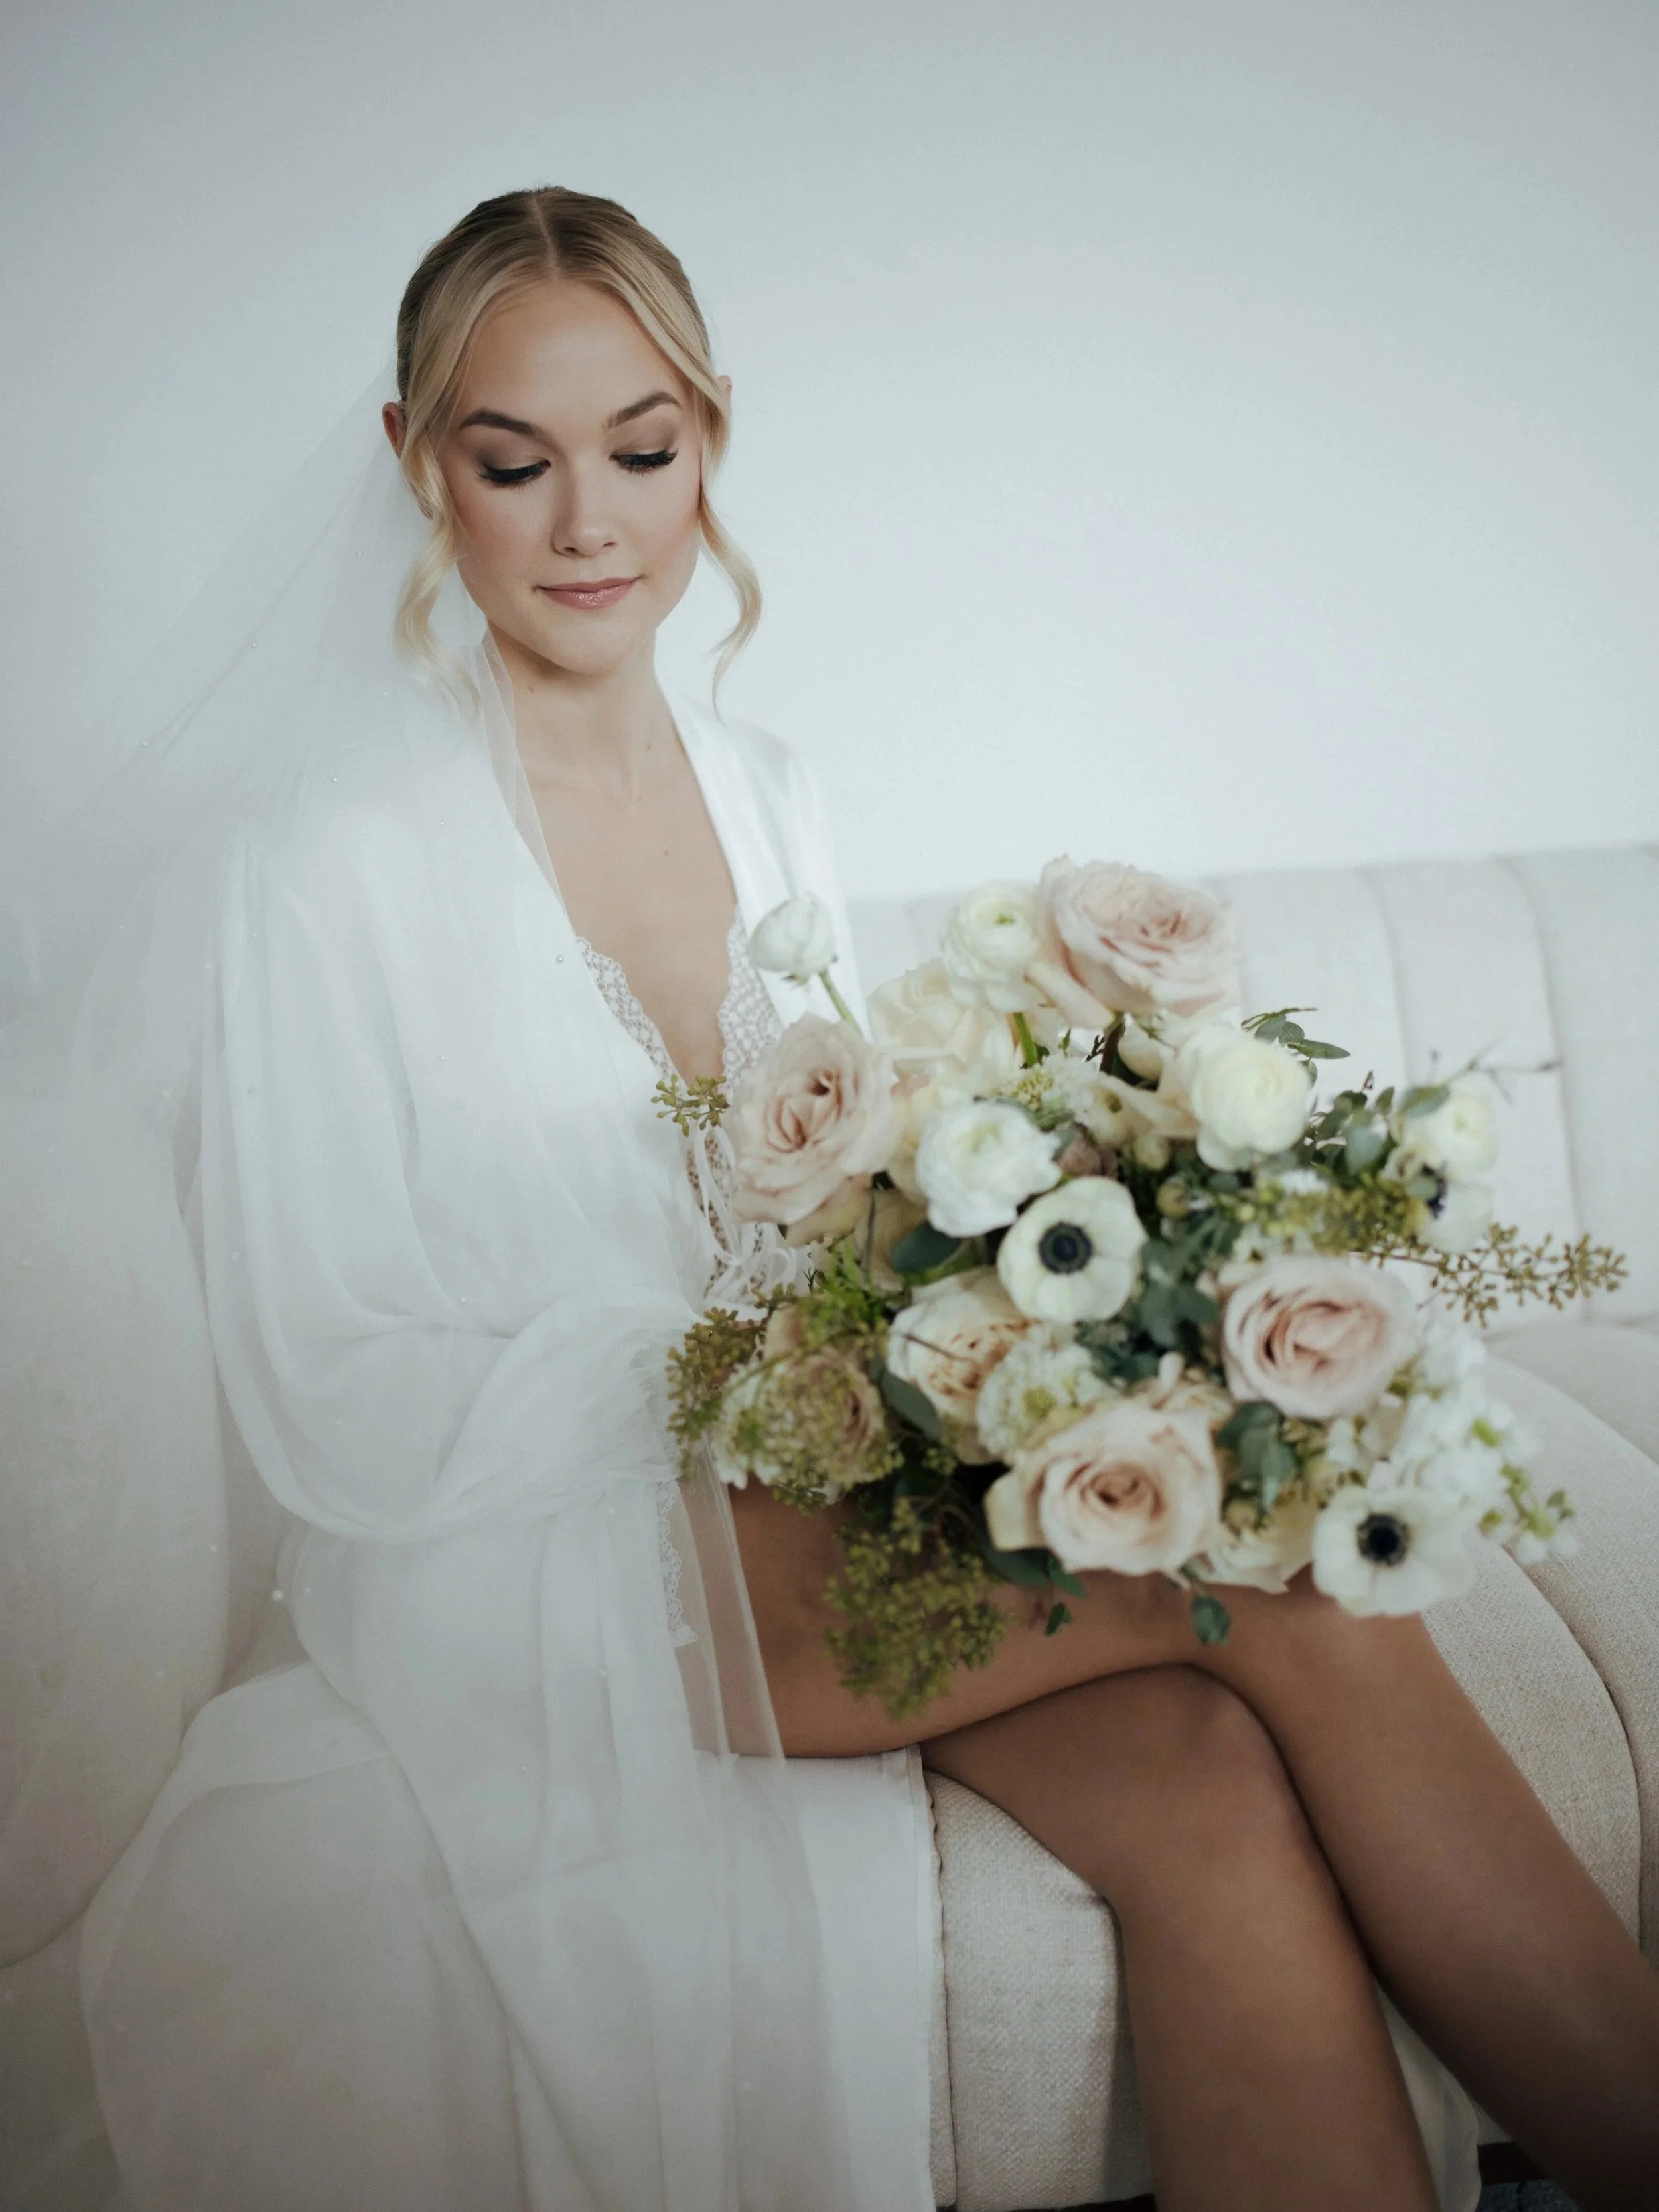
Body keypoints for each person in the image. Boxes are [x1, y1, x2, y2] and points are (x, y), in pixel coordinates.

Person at [5, 186, 1658, 2212]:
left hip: (825, 1487)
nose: (589, 523)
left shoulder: (764, 779)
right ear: (417, 466)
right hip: (548, 1556)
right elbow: (330, 1375)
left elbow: (849, 1185)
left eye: (643, 448)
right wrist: (754, 1386)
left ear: (712, 436)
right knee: (1287, 1593)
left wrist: (976, 1292)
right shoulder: (325, 858)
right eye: (513, 462)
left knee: (1208, 1789)